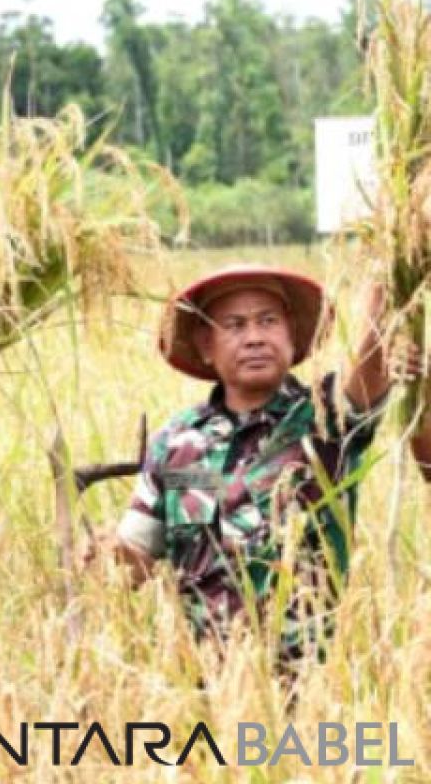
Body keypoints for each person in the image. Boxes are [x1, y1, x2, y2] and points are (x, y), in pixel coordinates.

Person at [100, 265, 396, 669]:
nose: (254, 337)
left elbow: (370, 366)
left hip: (313, 681)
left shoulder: (326, 419)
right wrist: (109, 556)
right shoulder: (177, 441)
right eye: (234, 326)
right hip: (207, 684)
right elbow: (137, 556)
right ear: (206, 345)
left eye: (268, 321)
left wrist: (386, 280)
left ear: (291, 335)